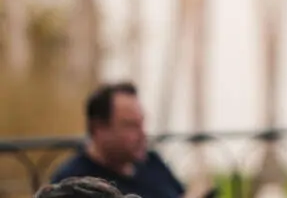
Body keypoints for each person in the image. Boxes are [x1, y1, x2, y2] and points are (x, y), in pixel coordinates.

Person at [49, 84, 193, 198]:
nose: (142, 134)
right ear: (99, 129)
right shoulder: (73, 183)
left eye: (142, 123)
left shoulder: (152, 162)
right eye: (130, 126)